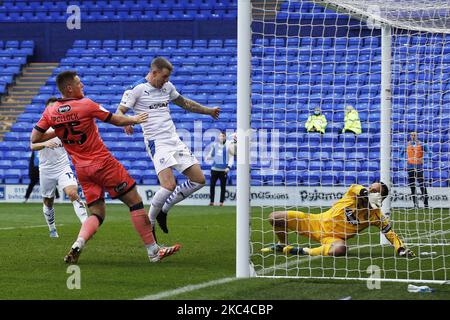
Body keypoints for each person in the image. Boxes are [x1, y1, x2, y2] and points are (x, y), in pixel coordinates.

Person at [31, 70, 180, 264]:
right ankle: (153, 251)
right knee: (135, 202)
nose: (82, 85)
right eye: (79, 83)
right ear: (69, 88)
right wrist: (134, 119)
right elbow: (114, 119)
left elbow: (35, 138)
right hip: (103, 163)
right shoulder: (86, 105)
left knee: (97, 214)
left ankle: (78, 244)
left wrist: (59, 131)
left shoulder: (50, 112)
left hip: (82, 170)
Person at [116, 56, 220, 237]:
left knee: (199, 180)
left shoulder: (167, 87)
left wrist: (208, 111)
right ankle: (150, 223)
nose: (167, 80)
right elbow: (119, 112)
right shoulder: (136, 89)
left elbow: (185, 103)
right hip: (157, 142)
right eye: (164, 76)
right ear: (154, 72)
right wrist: (128, 121)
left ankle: (164, 211)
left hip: (174, 139)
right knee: (169, 185)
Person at [262, 182, 416, 258]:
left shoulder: (376, 216)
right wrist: (367, 192)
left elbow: (390, 233)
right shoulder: (353, 193)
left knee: (341, 249)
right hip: (315, 222)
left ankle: (297, 251)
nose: (370, 190)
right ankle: (282, 244)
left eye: (375, 191)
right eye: (371, 187)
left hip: (332, 238)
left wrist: (400, 249)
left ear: (380, 198)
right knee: (275, 217)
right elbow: (359, 189)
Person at [30, 97, 88, 238]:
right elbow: (32, 146)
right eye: (50, 108)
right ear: (46, 110)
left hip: (63, 167)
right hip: (46, 169)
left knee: (73, 193)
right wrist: (45, 144)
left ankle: (87, 225)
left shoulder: (64, 127)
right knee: (48, 201)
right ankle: (52, 228)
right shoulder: (41, 128)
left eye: (55, 107)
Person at [401, 131, 430, 208]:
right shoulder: (407, 145)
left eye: (415, 135)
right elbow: (401, 154)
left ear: (417, 136)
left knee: (422, 185)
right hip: (410, 167)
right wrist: (405, 161)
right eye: (412, 135)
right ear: (410, 136)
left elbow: (429, 153)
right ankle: (415, 204)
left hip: (419, 167)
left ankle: (426, 204)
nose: (413, 136)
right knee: (412, 186)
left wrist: (425, 160)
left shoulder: (422, 144)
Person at [205, 131, 235, 206]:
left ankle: (221, 202)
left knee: (223, 186)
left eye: (223, 136)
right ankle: (211, 201)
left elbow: (231, 158)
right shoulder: (215, 145)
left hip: (223, 170)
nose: (221, 137)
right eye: (220, 136)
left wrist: (228, 167)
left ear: (225, 137)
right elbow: (211, 154)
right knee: (212, 185)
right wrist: (207, 157)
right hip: (214, 169)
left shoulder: (228, 146)